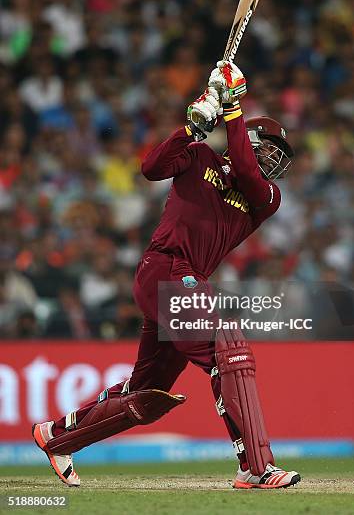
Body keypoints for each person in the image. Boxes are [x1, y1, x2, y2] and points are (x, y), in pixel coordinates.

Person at [32, 61, 300, 489]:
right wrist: (191, 128)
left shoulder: (265, 196)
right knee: (227, 347)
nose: (273, 164)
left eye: (279, 160)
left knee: (148, 391)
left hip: (187, 279)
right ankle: (255, 465)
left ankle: (58, 436)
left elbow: (247, 173)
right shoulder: (199, 157)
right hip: (163, 268)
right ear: (246, 140)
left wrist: (231, 107)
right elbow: (152, 168)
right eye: (269, 150)